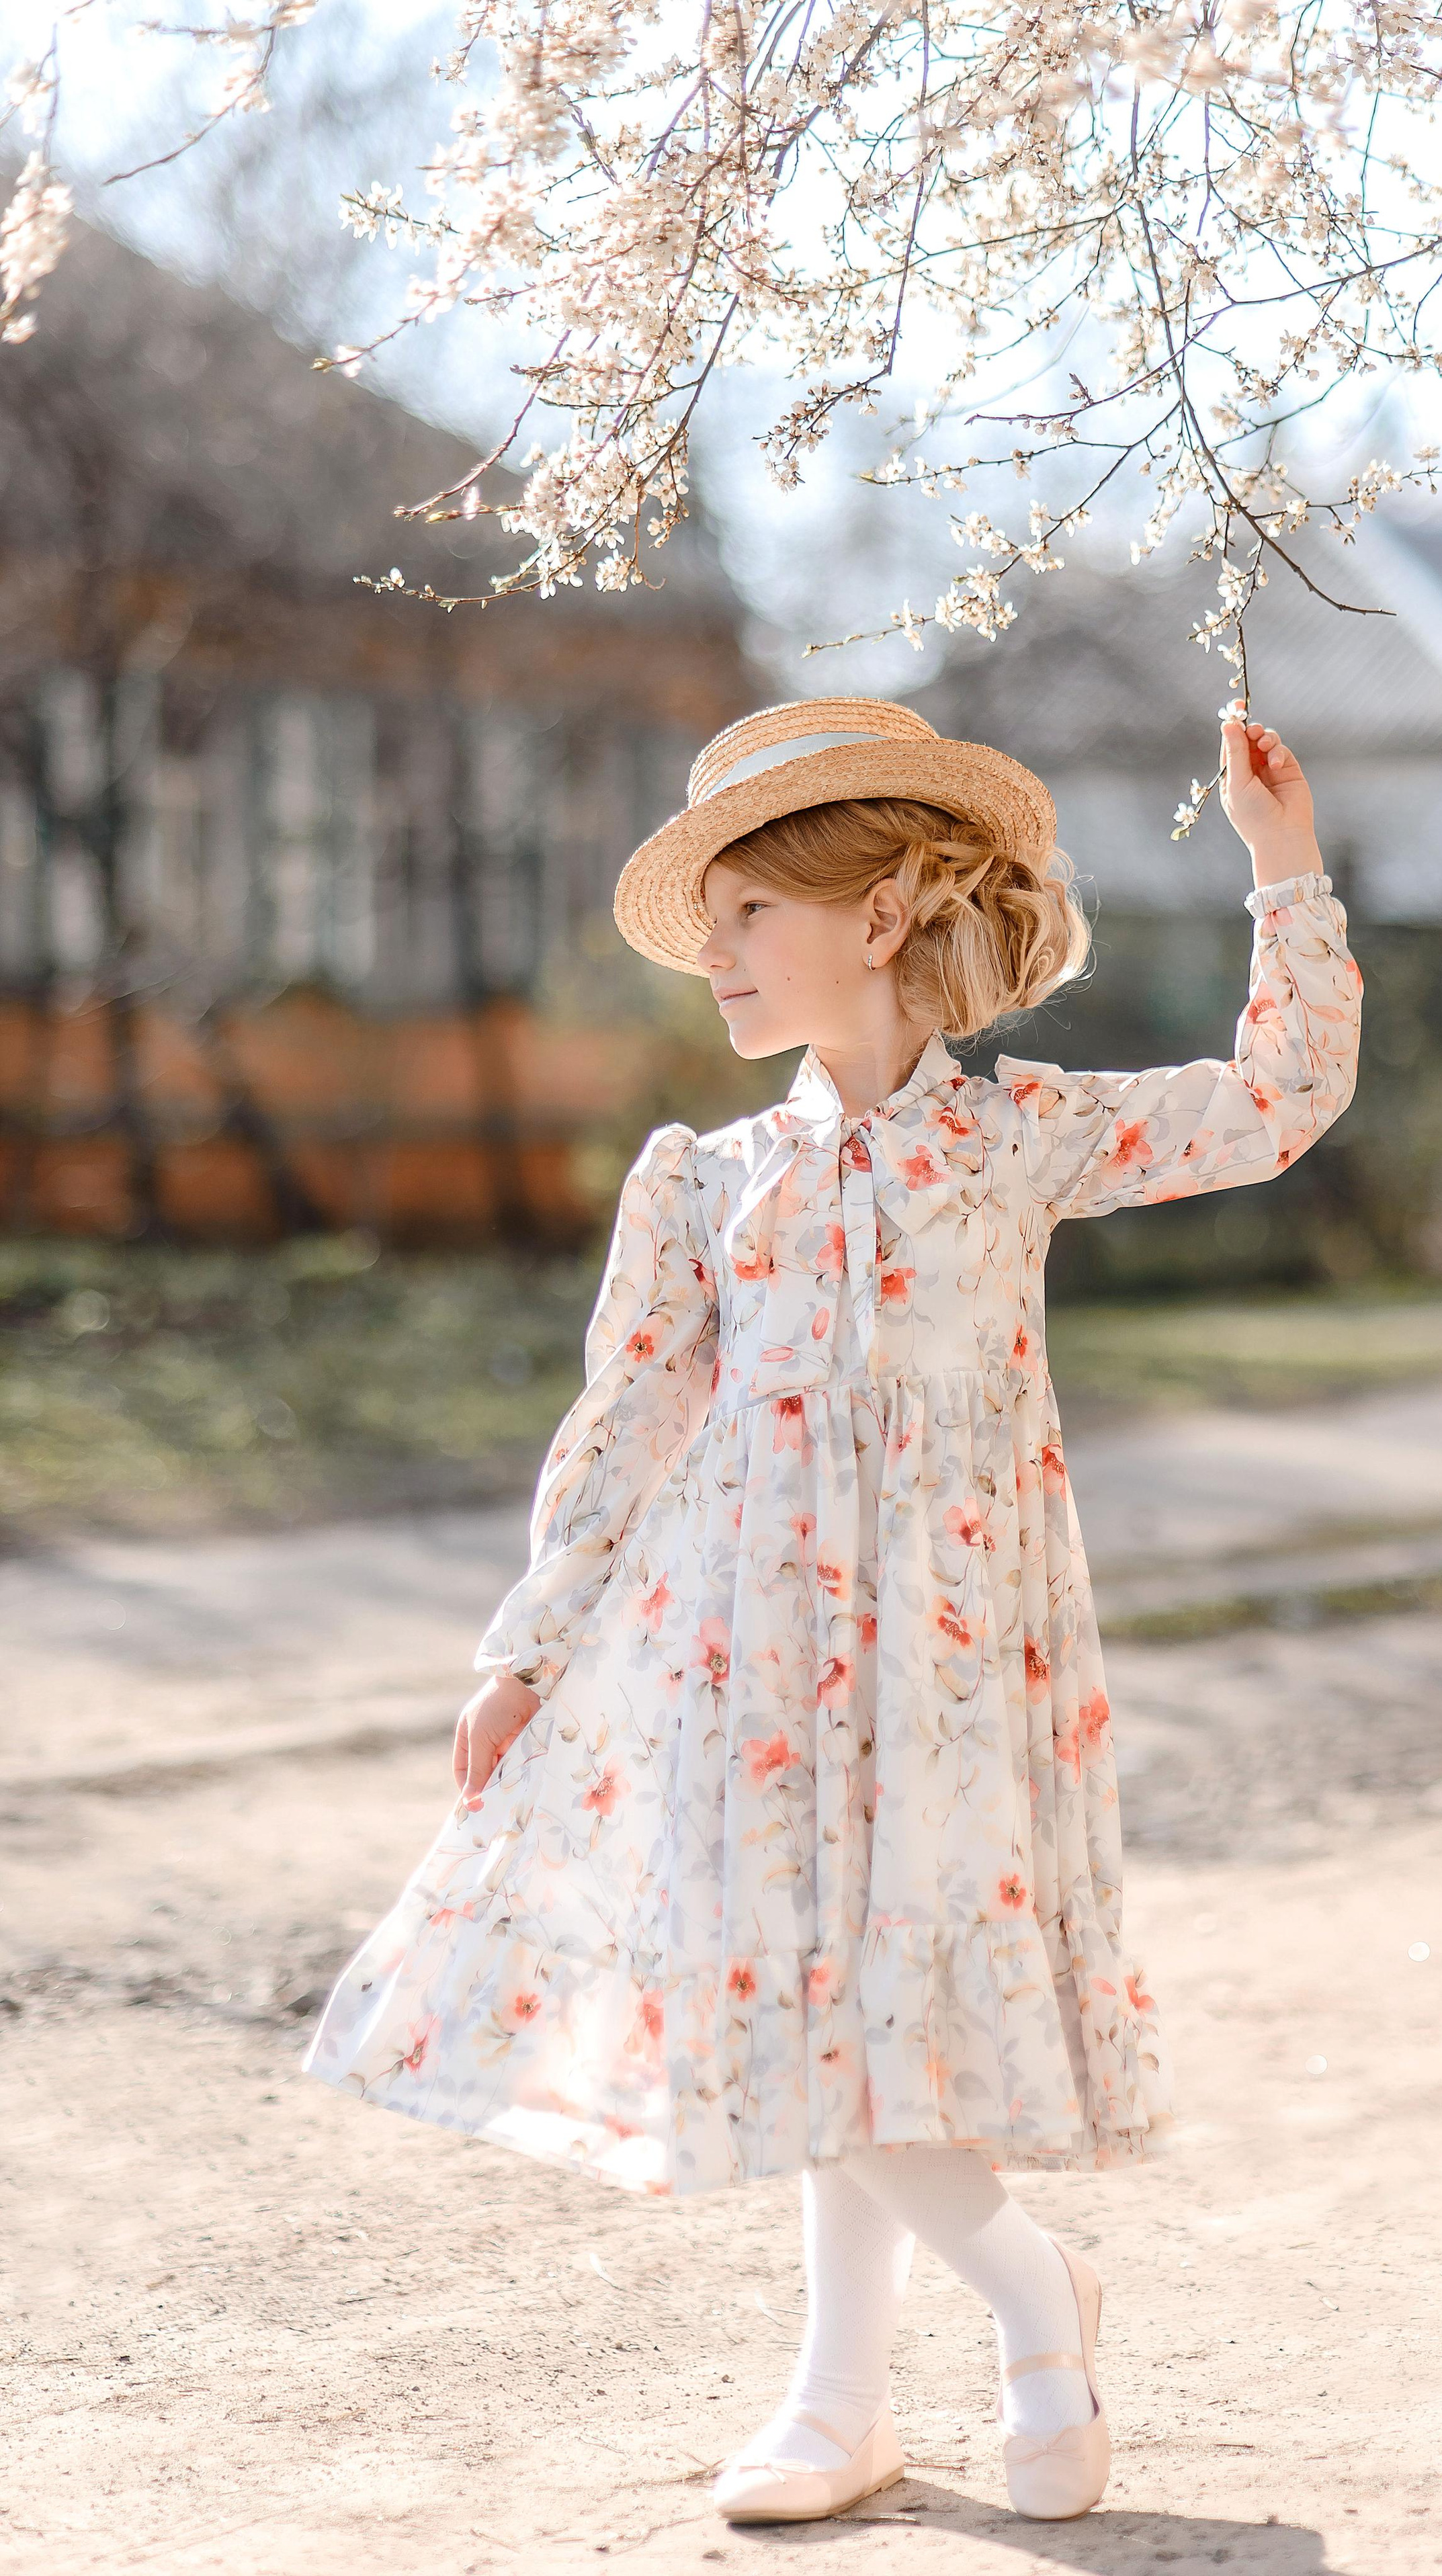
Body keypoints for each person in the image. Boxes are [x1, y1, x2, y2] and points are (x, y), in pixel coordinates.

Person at [302, 693, 1362, 2525]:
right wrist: (528, 1644)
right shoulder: (709, 1184)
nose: (713, 956)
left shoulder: (1016, 1135)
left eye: (748, 913)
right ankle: (902, 2365)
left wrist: (1286, 870)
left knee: (882, 2021)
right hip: (758, 1667)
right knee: (809, 2015)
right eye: (708, 921)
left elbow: (1278, 1102)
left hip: (960, 1662)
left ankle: (955, 2337)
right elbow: (619, 1428)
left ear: (877, 914)